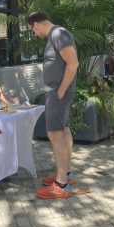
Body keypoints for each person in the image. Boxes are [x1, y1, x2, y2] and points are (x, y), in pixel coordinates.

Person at [27, 11, 79, 199]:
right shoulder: (57, 35)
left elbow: (73, 63)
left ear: (36, 24)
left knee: (54, 134)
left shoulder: (58, 35)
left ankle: (61, 185)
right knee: (64, 130)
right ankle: (66, 173)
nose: (35, 34)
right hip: (58, 92)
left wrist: (61, 90)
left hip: (59, 93)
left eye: (33, 30)